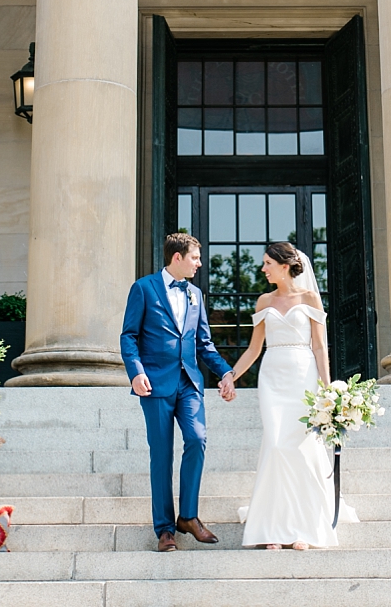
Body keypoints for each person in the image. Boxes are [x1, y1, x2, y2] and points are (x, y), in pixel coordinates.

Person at [120, 232, 237, 552]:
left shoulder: (196, 294)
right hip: (154, 384)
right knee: (161, 455)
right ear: (177, 257)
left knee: (197, 439)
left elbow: (204, 345)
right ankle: (164, 529)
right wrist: (136, 372)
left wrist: (226, 371)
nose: (199, 263)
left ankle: (189, 516)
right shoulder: (143, 288)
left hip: (189, 383)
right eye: (195, 258)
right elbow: (128, 336)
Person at [226, 241, 339, 549]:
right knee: (276, 445)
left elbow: (319, 346)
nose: (263, 269)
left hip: (303, 376)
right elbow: (253, 349)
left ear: (285, 266)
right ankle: (273, 529)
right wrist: (231, 376)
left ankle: (303, 528)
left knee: (300, 449)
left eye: (267, 264)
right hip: (273, 376)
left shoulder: (310, 297)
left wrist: (327, 390)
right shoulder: (264, 301)